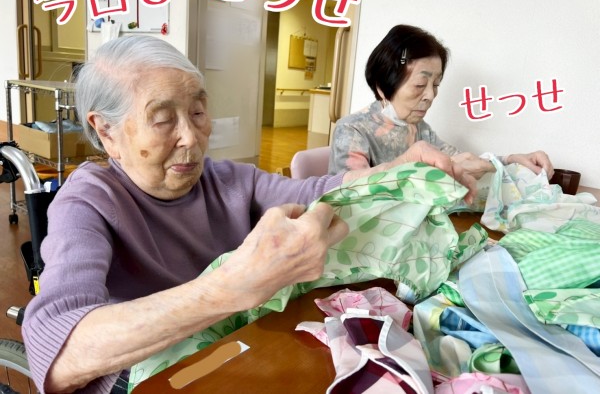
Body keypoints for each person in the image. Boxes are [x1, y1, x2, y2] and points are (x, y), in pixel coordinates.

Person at [21, 35, 476, 394]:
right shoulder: (88, 200)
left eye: (198, 111)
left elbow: (317, 190)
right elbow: (58, 351)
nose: (191, 138)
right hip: (150, 375)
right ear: (106, 131)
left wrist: (399, 168)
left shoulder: (225, 179)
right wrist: (233, 287)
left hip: (234, 351)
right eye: (162, 119)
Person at [328, 24, 554, 180]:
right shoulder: (352, 130)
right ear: (382, 85)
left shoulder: (419, 128)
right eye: (420, 84)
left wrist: (512, 160)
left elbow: (462, 159)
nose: (430, 95)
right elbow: (352, 197)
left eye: (436, 84)